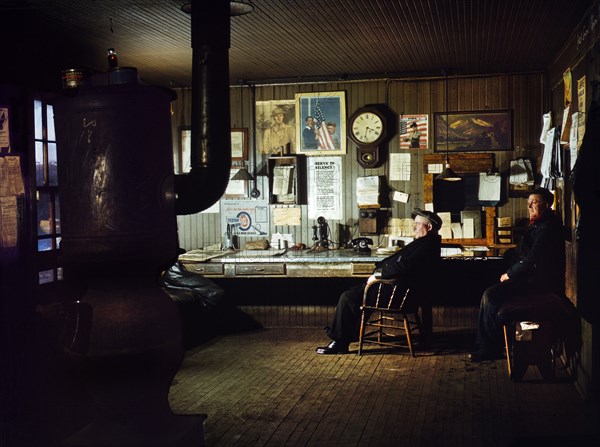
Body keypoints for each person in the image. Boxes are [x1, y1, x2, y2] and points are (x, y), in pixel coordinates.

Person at [316, 209, 442, 355]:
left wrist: (378, 274)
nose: (414, 227)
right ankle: (346, 336)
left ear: (429, 227)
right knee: (356, 299)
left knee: (348, 297)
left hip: (396, 292)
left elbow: (406, 266)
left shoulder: (427, 245)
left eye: (417, 224)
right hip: (397, 288)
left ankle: (339, 342)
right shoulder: (426, 242)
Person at [470, 187, 565, 361]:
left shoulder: (547, 227)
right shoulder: (540, 223)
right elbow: (523, 253)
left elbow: (532, 259)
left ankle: (489, 348)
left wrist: (510, 274)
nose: (530, 207)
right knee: (489, 287)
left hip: (537, 283)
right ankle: (487, 342)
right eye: (529, 203)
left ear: (547, 205)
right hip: (529, 278)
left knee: (490, 295)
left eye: (534, 203)